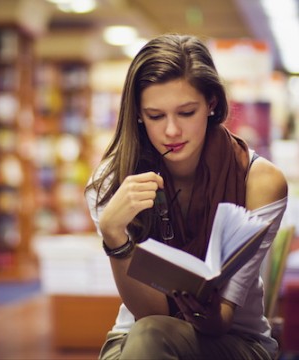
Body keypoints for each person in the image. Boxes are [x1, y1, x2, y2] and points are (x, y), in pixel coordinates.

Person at [85, 34, 288, 360]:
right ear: (137, 114)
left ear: (211, 103)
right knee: (150, 336)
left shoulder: (259, 181)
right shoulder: (111, 183)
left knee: (151, 339)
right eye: (155, 116)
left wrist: (204, 313)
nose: (171, 131)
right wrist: (114, 237)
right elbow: (149, 315)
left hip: (237, 340)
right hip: (136, 335)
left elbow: (222, 320)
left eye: (186, 112)